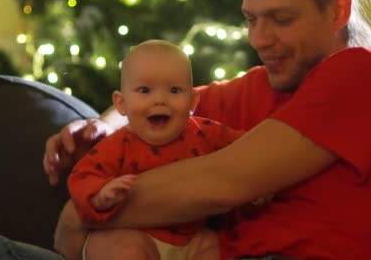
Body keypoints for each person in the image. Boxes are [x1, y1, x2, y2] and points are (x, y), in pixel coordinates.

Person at [0, 0, 371, 260]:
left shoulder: (367, 75)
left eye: (281, 19)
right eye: (252, 19)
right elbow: (170, 102)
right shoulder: (262, 88)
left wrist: (80, 212)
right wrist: (99, 125)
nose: (259, 39)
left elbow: (221, 183)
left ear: (338, 10)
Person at [67, 39, 244, 260]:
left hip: (192, 235)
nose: (160, 100)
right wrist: (100, 195)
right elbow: (82, 175)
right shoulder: (118, 145)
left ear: (192, 101)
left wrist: (261, 181)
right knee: (119, 247)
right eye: (144, 90)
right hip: (134, 233)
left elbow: (247, 148)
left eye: (174, 90)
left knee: (212, 245)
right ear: (121, 103)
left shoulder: (206, 132)